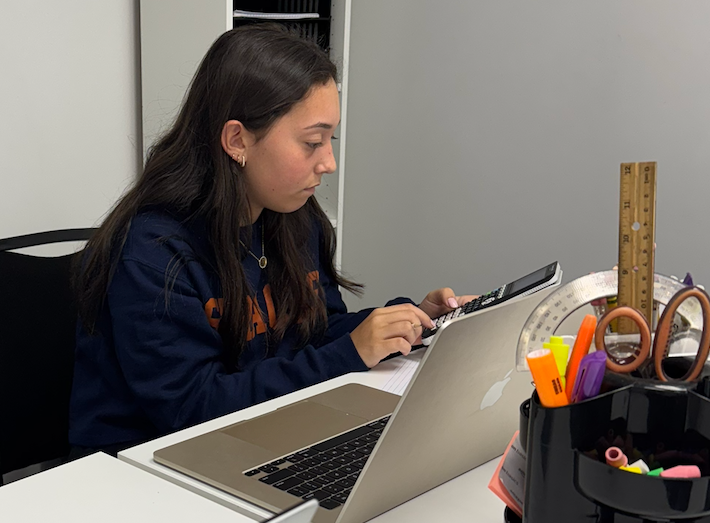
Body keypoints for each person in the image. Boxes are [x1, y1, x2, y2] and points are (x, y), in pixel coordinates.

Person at [70, 24, 469, 453]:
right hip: (144, 470)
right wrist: (347, 355)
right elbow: (194, 411)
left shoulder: (292, 217)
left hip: (258, 439)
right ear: (237, 140)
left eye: (329, 140)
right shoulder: (152, 253)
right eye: (312, 142)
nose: (329, 162)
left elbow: (311, 331)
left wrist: (404, 324)